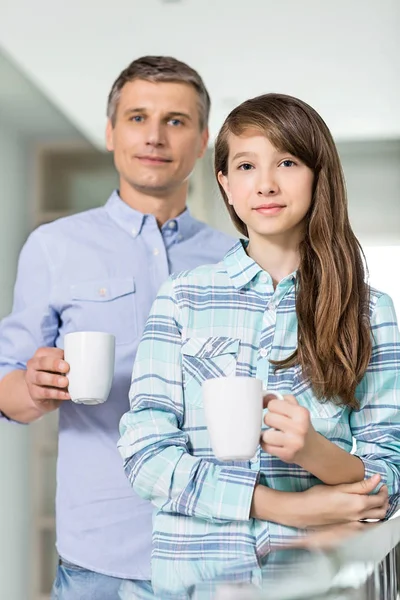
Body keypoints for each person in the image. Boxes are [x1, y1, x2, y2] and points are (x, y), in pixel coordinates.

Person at [118, 93, 400, 592]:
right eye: (246, 165)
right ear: (224, 183)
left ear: (319, 175)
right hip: (194, 580)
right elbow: (145, 453)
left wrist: (313, 451)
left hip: (315, 580)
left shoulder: (370, 311)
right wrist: (287, 506)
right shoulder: (183, 299)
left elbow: (387, 473)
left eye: (287, 162)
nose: (266, 183)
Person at [0, 56, 236, 598]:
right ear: (110, 132)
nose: (154, 136)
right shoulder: (53, 247)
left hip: (219, 550)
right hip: (99, 559)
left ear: (202, 141)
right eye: (136, 118)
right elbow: (7, 388)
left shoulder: (236, 259)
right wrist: (34, 388)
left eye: (175, 121)